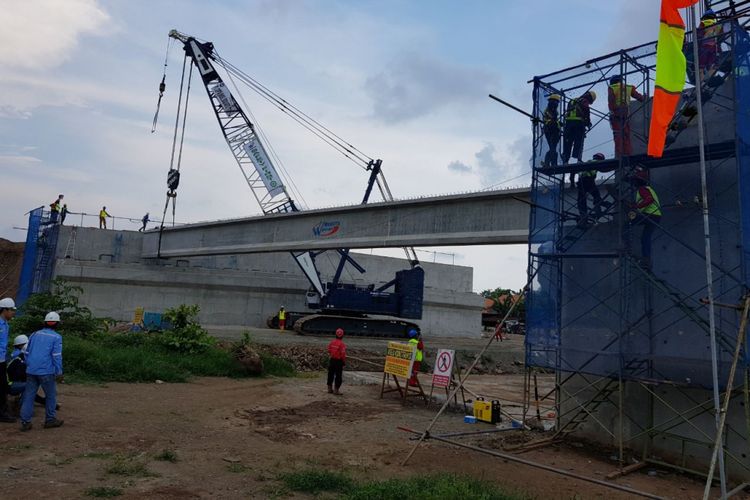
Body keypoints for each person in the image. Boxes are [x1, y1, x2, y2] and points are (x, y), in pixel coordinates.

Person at [20, 311, 64, 431]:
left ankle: (25, 422)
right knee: (50, 396)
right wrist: (59, 371)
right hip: (46, 371)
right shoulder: (56, 337)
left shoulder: (34, 334)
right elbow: (56, 356)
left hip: (31, 370)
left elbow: (26, 352)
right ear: (56, 324)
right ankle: (50, 420)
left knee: (29, 396)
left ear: (45, 322)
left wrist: (30, 365)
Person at [7, 335, 53, 408]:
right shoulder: (19, 360)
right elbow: (19, 376)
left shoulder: (18, 356)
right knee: (30, 386)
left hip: (11, 382)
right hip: (9, 384)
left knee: (31, 385)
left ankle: (41, 402)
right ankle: (22, 407)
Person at [562, 90, 596, 188]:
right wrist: (588, 123)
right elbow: (586, 112)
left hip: (568, 125)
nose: (589, 103)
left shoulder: (572, 101)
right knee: (579, 142)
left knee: (568, 144)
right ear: (589, 98)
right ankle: (578, 159)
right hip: (578, 125)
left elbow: (568, 112)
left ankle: (565, 160)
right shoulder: (584, 101)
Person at [629, 169, 662, 268]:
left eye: (634, 181)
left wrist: (636, 207)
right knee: (645, 238)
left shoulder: (642, 189)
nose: (633, 183)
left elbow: (649, 199)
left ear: (637, 181)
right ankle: (646, 259)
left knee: (626, 225)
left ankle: (625, 246)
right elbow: (646, 200)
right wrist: (636, 205)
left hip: (649, 215)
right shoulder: (648, 189)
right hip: (656, 216)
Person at [608, 76, 645, 158]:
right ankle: (628, 154)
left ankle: (620, 155)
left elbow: (611, 101)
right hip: (626, 113)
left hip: (617, 112)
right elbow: (639, 97)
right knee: (626, 134)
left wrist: (612, 113)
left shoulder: (612, 88)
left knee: (618, 135)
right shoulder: (628, 87)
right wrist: (643, 98)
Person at [0, 297, 18, 423]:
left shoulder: (6, 324)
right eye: (11, 310)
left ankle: (3, 412)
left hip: (1, 360)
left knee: (3, 387)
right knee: (2, 387)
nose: (13, 313)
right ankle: (2, 413)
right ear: (4, 310)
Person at [577, 153, 605, 226]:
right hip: (588, 180)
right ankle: (597, 208)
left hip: (581, 182)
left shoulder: (588, 162)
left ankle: (583, 216)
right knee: (596, 195)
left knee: (581, 200)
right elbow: (603, 169)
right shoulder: (596, 162)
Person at [698, 10, 722, 79]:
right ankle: (711, 78)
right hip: (715, 48)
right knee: (713, 65)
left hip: (704, 48)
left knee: (701, 68)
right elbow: (721, 36)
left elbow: (699, 35)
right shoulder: (717, 25)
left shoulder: (702, 24)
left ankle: (701, 83)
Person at [542, 94, 562, 167]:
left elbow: (554, 120)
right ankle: (553, 163)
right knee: (553, 148)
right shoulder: (548, 110)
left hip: (554, 130)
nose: (556, 104)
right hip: (549, 129)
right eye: (556, 102)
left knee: (552, 148)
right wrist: (554, 121)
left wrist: (559, 123)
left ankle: (548, 163)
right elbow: (550, 119)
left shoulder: (554, 111)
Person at [327, 328, 347, 395]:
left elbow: (329, 350)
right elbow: (343, 354)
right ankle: (336, 390)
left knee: (330, 374)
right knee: (338, 376)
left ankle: (329, 389)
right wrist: (344, 362)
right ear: (342, 335)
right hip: (339, 361)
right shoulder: (342, 344)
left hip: (332, 360)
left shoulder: (332, 342)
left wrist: (333, 354)